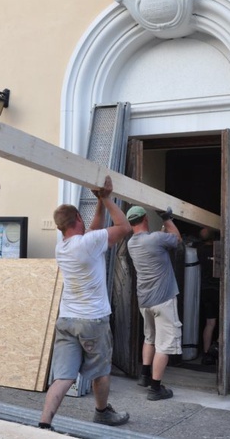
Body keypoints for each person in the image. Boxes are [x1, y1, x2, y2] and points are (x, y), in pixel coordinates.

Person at [38, 175, 131, 430]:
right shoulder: (89, 244)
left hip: (67, 320)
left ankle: (45, 422)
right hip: (92, 321)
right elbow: (125, 227)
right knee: (100, 371)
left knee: (64, 376)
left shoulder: (64, 247)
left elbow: (95, 229)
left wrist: (99, 203)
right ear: (78, 219)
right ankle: (102, 412)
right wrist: (106, 198)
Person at [126, 205, 182, 401]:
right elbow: (176, 239)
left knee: (149, 337)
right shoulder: (156, 239)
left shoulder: (132, 243)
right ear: (145, 219)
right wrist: (167, 219)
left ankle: (144, 376)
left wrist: (162, 230)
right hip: (164, 300)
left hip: (145, 302)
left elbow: (157, 242)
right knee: (164, 344)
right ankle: (156, 389)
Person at [197, 227, 220, 365]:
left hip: (205, 290)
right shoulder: (218, 250)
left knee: (210, 323)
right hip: (218, 290)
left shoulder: (199, 250)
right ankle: (216, 347)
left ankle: (206, 354)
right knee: (223, 321)